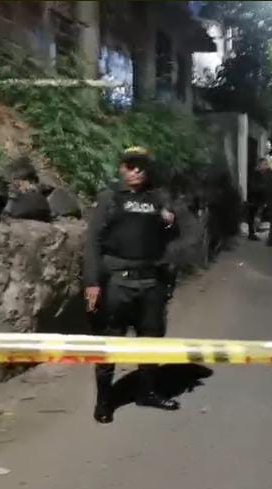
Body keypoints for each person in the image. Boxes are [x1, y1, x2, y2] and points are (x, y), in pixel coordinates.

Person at [84, 146, 180, 423]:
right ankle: (104, 401)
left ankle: (147, 392)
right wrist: (92, 282)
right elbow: (92, 243)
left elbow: (171, 241)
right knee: (110, 342)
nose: (136, 170)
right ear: (122, 168)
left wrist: (169, 222)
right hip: (118, 283)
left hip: (151, 282)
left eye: (142, 166)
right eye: (131, 165)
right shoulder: (110, 199)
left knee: (151, 338)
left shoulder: (157, 200)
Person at [245, 157, 272, 241]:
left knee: (257, 215)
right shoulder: (255, 174)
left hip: (260, 199)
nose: (267, 166)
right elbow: (253, 187)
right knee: (253, 216)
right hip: (254, 199)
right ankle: (251, 233)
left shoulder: (265, 173)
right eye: (265, 164)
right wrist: (264, 187)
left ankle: (254, 231)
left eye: (267, 164)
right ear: (259, 165)